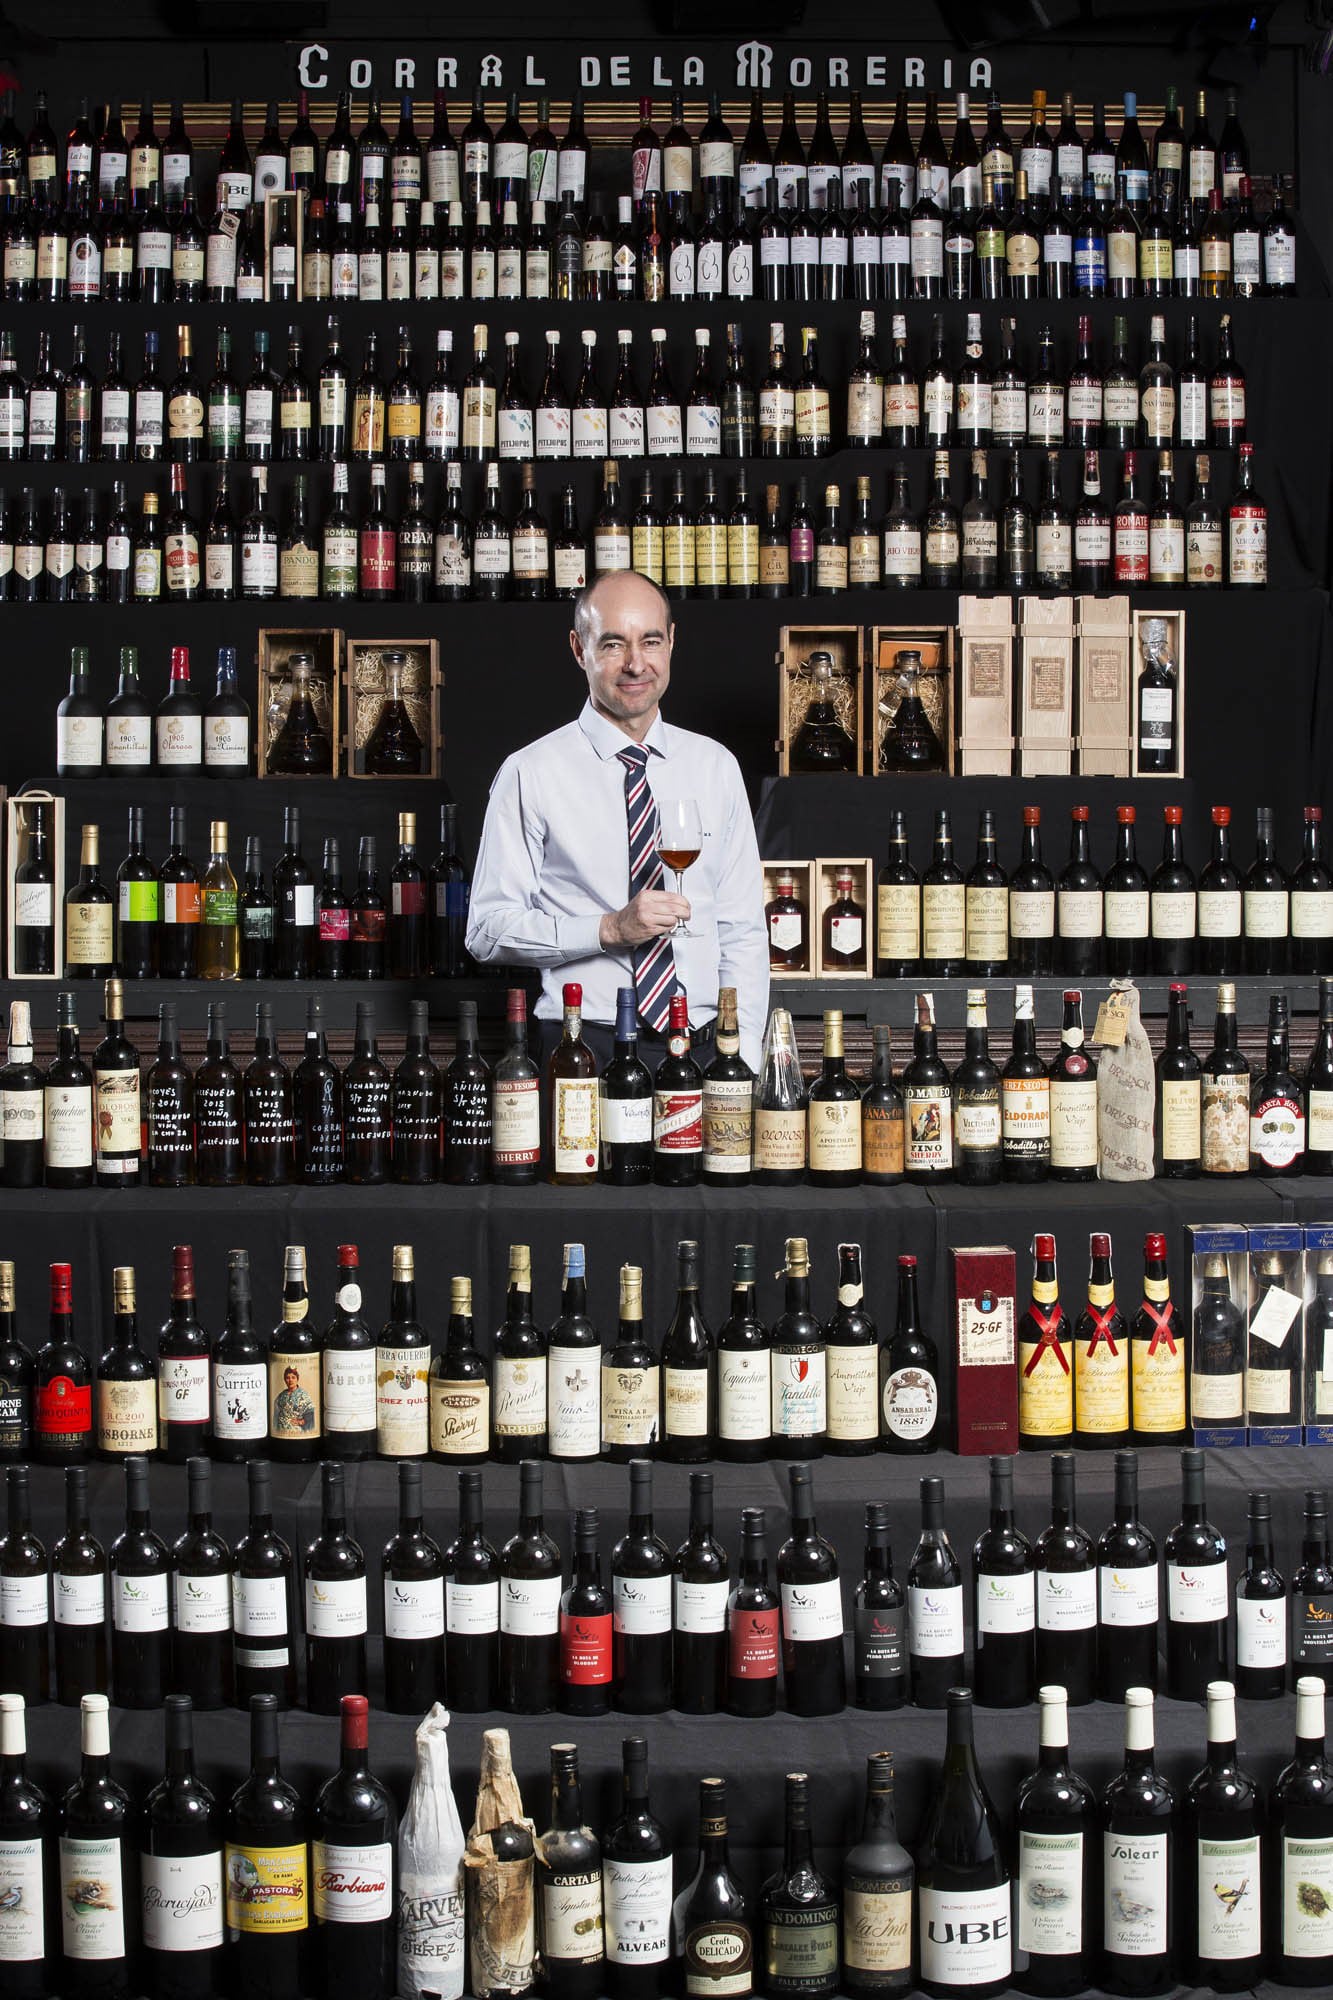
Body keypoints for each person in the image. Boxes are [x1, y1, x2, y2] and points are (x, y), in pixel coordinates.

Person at [467, 569, 769, 1069]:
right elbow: (486, 931)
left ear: (671, 642)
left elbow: (741, 930)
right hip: (583, 1047)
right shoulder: (531, 773)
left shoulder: (715, 766)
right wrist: (607, 930)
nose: (635, 664)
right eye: (612, 644)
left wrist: (747, 1058)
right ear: (578, 648)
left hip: (705, 1045)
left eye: (650, 640)